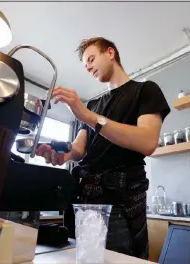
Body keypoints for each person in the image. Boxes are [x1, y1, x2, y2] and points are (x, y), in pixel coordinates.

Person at [36, 37, 170, 259]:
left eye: (91, 59)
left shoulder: (145, 90)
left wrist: (88, 116)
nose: (88, 67)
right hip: (83, 200)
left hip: (120, 203)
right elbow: (79, 149)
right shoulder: (92, 106)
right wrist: (61, 154)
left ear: (110, 53)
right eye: (85, 64)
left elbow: (147, 142)